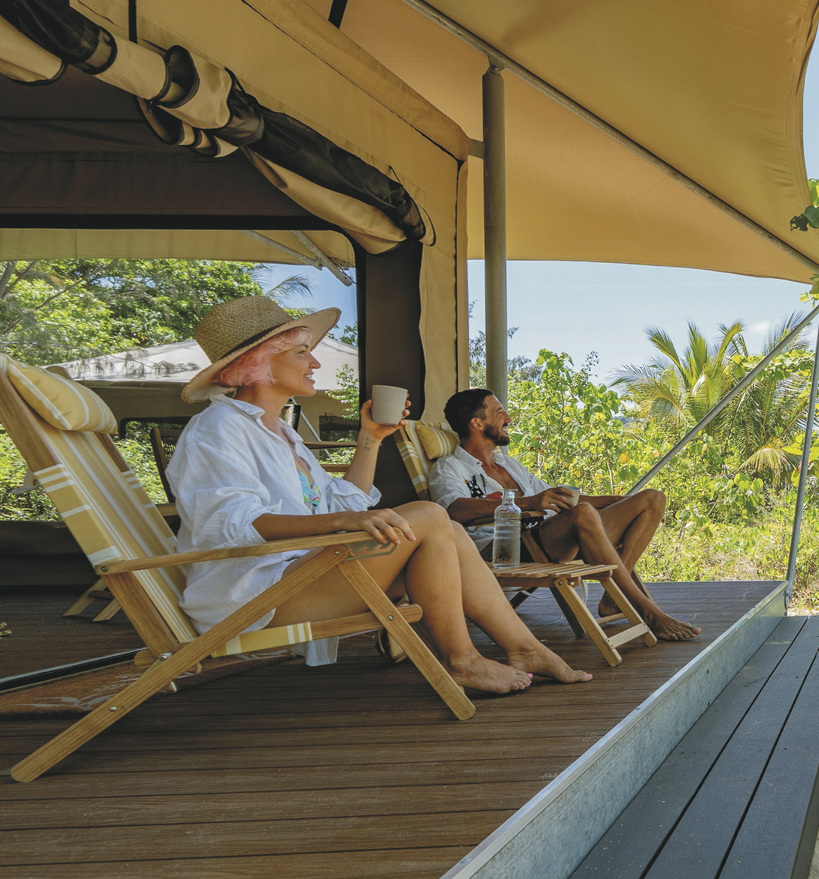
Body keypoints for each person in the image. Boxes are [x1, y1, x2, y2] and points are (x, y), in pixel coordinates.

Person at [167, 295, 594, 694]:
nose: (314, 361)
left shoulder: (280, 433)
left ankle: (524, 647)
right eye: (301, 353)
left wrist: (371, 438)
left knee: (445, 532)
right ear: (257, 362)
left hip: (300, 576)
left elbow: (341, 501)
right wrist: (345, 521)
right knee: (430, 515)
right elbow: (228, 522)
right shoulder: (217, 428)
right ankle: (463, 661)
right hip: (253, 597)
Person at [431, 388, 700, 641]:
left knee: (652, 499)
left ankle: (612, 598)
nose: (508, 419)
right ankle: (648, 611)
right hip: (506, 547)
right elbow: (453, 509)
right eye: (499, 412)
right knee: (582, 514)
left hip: (555, 537)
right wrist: (527, 502)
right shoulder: (450, 467)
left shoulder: (507, 464)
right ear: (477, 423)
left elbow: (557, 497)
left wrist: (617, 501)